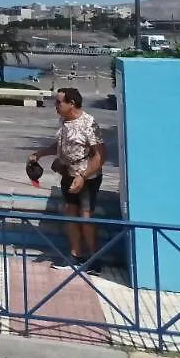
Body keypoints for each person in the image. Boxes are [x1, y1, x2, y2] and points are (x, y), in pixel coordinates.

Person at [27, 87, 106, 273]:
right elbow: (61, 143)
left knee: (86, 216)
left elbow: (100, 156)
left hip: (88, 178)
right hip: (68, 174)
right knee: (71, 212)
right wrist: (40, 154)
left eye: (58, 102)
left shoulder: (88, 124)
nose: (55, 105)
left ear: (71, 104)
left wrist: (83, 177)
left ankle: (94, 260)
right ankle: (75, 255)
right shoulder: (64, 120)